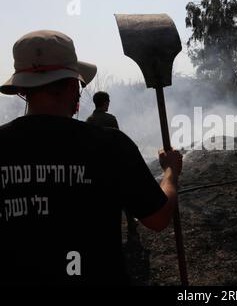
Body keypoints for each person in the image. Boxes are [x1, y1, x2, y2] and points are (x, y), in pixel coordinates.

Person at [0, 30, 182, 286]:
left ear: (21, 89)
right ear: (74, 84)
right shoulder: (110, 145)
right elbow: (158, 218)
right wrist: (171, 172)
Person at [85, 91, 138, 238]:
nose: (109, 104)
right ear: (105, 102)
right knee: (124, 192)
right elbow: (118, 140)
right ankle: (131, 223)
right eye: (108, 101)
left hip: (96, 165)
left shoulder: (89, 120)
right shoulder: (110, 119)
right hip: (113, 162)